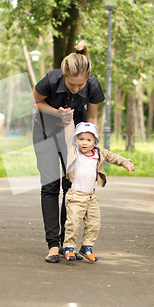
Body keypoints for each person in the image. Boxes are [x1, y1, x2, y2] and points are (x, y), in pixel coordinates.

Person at [31, 42, 105, 263]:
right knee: (50, 186)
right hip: (45, 133)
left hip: (75, 138)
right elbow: (34, 101)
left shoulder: (92, 86)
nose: (75, 88)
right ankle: (53, 245)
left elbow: (91, 118)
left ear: (87, 79)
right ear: (63, 76)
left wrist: (93, 145)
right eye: (71, 84)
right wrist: (57, 112)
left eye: (80, 85)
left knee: (71, 188)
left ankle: (67, 243)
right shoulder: (51, 79)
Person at [63, 121, 135, 262]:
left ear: (95, 141)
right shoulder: (73, 151)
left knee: (94, 223)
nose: (84, 143)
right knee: (73, 223)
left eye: (89, 140)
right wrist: (67, 119)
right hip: (75, 196)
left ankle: (87, 248)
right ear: (75, 140)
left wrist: (126, 162)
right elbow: (67, 134)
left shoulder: (99, 153)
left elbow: (114, 157)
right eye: (81, 139)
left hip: (91, 197)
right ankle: (69, 248)